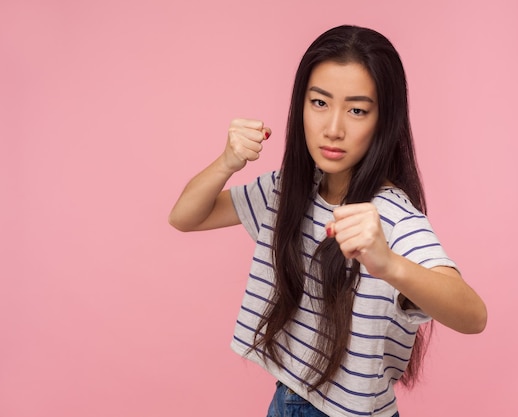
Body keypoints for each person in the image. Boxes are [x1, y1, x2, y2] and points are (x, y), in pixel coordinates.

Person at [169, 24, 487, 417]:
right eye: (320, 103)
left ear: (383, 121)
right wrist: (227, 162)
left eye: (357, 110)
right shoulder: (292, 189)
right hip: (286, 398)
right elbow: (185, 217)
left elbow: (473, 316)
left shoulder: (389, 215)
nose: (333, 129)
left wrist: (387, 263)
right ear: (300, 105)